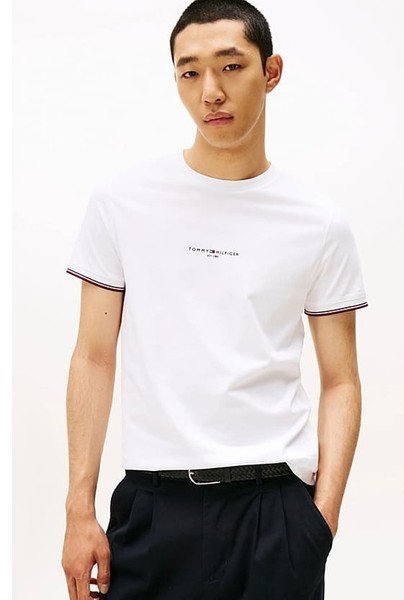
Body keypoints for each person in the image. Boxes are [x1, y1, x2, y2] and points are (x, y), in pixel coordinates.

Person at [61, 1, 368, 598]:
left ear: (271, 72)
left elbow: (341, 381)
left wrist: (321, 520)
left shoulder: (318, 222)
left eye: (231, 66)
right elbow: (93, 357)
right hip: (152, 509)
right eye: (190, 72)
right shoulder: (122, 202)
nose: (210, 92)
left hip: (275, 514)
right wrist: (78, 509)